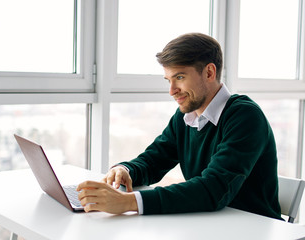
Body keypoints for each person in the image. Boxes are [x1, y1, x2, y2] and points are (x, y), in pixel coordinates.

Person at [77, 33, 282, 220]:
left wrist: (128, 202)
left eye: (180, 77)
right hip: (210, 223)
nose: (172, 91)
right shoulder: (187, 116)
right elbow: (154, 160)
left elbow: (213, 189)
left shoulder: (245, 116)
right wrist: (125, 169)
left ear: (209, 72)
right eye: (168, 80)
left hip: (254, 229)